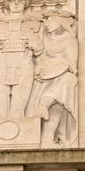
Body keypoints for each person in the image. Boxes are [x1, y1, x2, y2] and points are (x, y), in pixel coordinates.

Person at [0, 0, 43, 118]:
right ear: (7, 4)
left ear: (25, 4)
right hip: (1, 65)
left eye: (20, 0)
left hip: (23, 64)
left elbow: (39, 48)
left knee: (18, 111)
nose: (16, 3)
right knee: (0, 111)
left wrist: (32, 42)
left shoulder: (33, 24)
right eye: (12, 0)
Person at [26, 10, 78, 147]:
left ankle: (45, 106)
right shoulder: (42, 38)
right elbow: (36, 59)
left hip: (60, 75)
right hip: (43, 76)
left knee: (67, 80)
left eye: (50, 21)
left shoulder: (69, 41)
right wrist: (40, 70)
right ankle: (44, 108)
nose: (47, 24)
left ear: (60, 23)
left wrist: (58, 68)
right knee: (58, 96)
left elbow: (73, 65)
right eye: (46, 21)